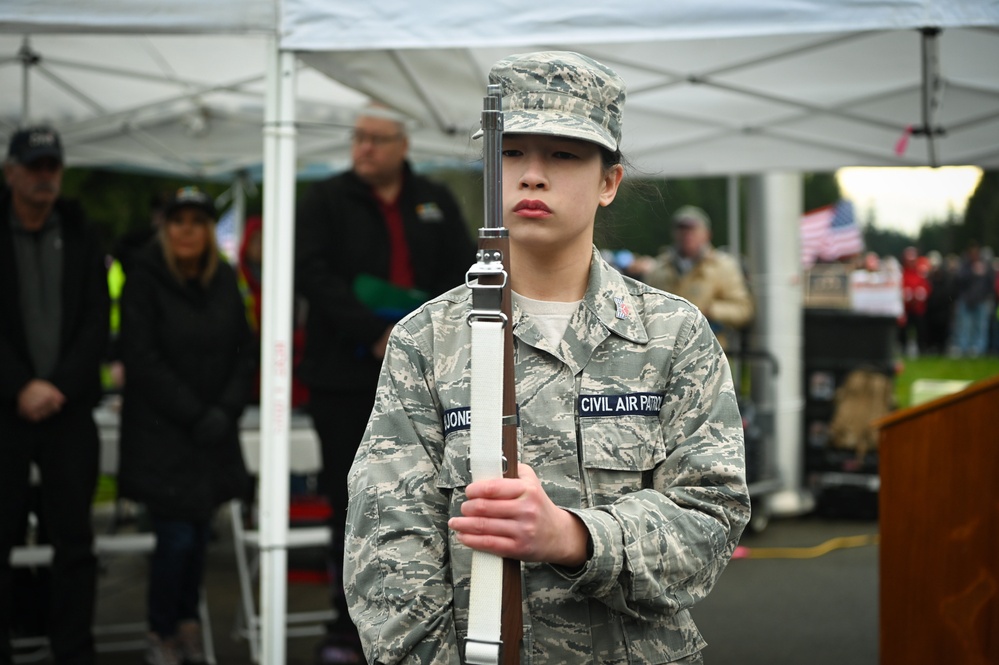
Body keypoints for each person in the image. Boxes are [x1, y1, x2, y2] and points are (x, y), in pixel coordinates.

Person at [344, 51, 750, 664]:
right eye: (511, 154)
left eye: (563, 155)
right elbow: (386, 547)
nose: (532, 176)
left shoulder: (674, 335)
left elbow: (712, 518)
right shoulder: (426, 343)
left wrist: (573, 537)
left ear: (610, 181)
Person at [295, 106, 477, 661]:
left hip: (430, 376)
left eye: (376, 140)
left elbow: (462, 272)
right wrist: (375, 333)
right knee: (353, 496)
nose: (364, 149)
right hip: (345, 376)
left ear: (402, 145)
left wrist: (423, 338)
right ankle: (347, 621)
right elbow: (312, 274)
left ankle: (432, 614)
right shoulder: (325, 201)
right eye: (358, 139)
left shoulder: (434, 200)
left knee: (430, 493)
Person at [116, 186, 255, 665]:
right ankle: (162, 631)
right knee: (175, 538)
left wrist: (225, 409)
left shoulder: (224, 282)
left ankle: (187, 625)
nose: (188, 230)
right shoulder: (143, 279)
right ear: (165, 228)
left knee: (198, 536)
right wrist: (197, 413)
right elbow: (142, 358)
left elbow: (245, 349)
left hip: (212, 436)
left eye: (198, 221)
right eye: (179, 221)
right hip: (164, 437)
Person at [0, 126, 109, 665]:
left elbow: (96, 319)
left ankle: (73, 650)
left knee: (75, 542)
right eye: (35, 165)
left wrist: (57, 386)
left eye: (52, 166)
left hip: (68, 410)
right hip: (6, 410)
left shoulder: (83, 233)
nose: (45, 176)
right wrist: (19, 384)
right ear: (11, 172)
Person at [642, 205, 754, 349]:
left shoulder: (723, 267)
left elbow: (743, 310)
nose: (686, 235)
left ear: (707, 234)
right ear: (674, 233)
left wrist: (709, 311)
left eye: (692, 229)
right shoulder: (659, 268)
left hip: (708, 351)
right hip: (664, 351)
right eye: (681, 229)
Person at [951, 243, 996, 357]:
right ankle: (963, 347)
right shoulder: (965, 265)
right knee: (964, 325)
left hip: (981, 300)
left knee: (980, 326)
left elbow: (991, 282)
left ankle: (978, 348)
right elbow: (958, 280)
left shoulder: (986, 265)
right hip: (966, 300)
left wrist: (988, 296)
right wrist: (972, 272)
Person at [898, 246, 931, 356]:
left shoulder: (921, 271)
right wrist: (904, 293)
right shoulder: (902, 272)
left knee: (921, 328)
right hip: (906, 307)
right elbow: (899, 286)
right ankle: (903, 348)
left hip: (918, 307)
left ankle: (922, 349)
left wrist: (921, 293)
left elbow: (926, 286)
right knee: (904, 329)